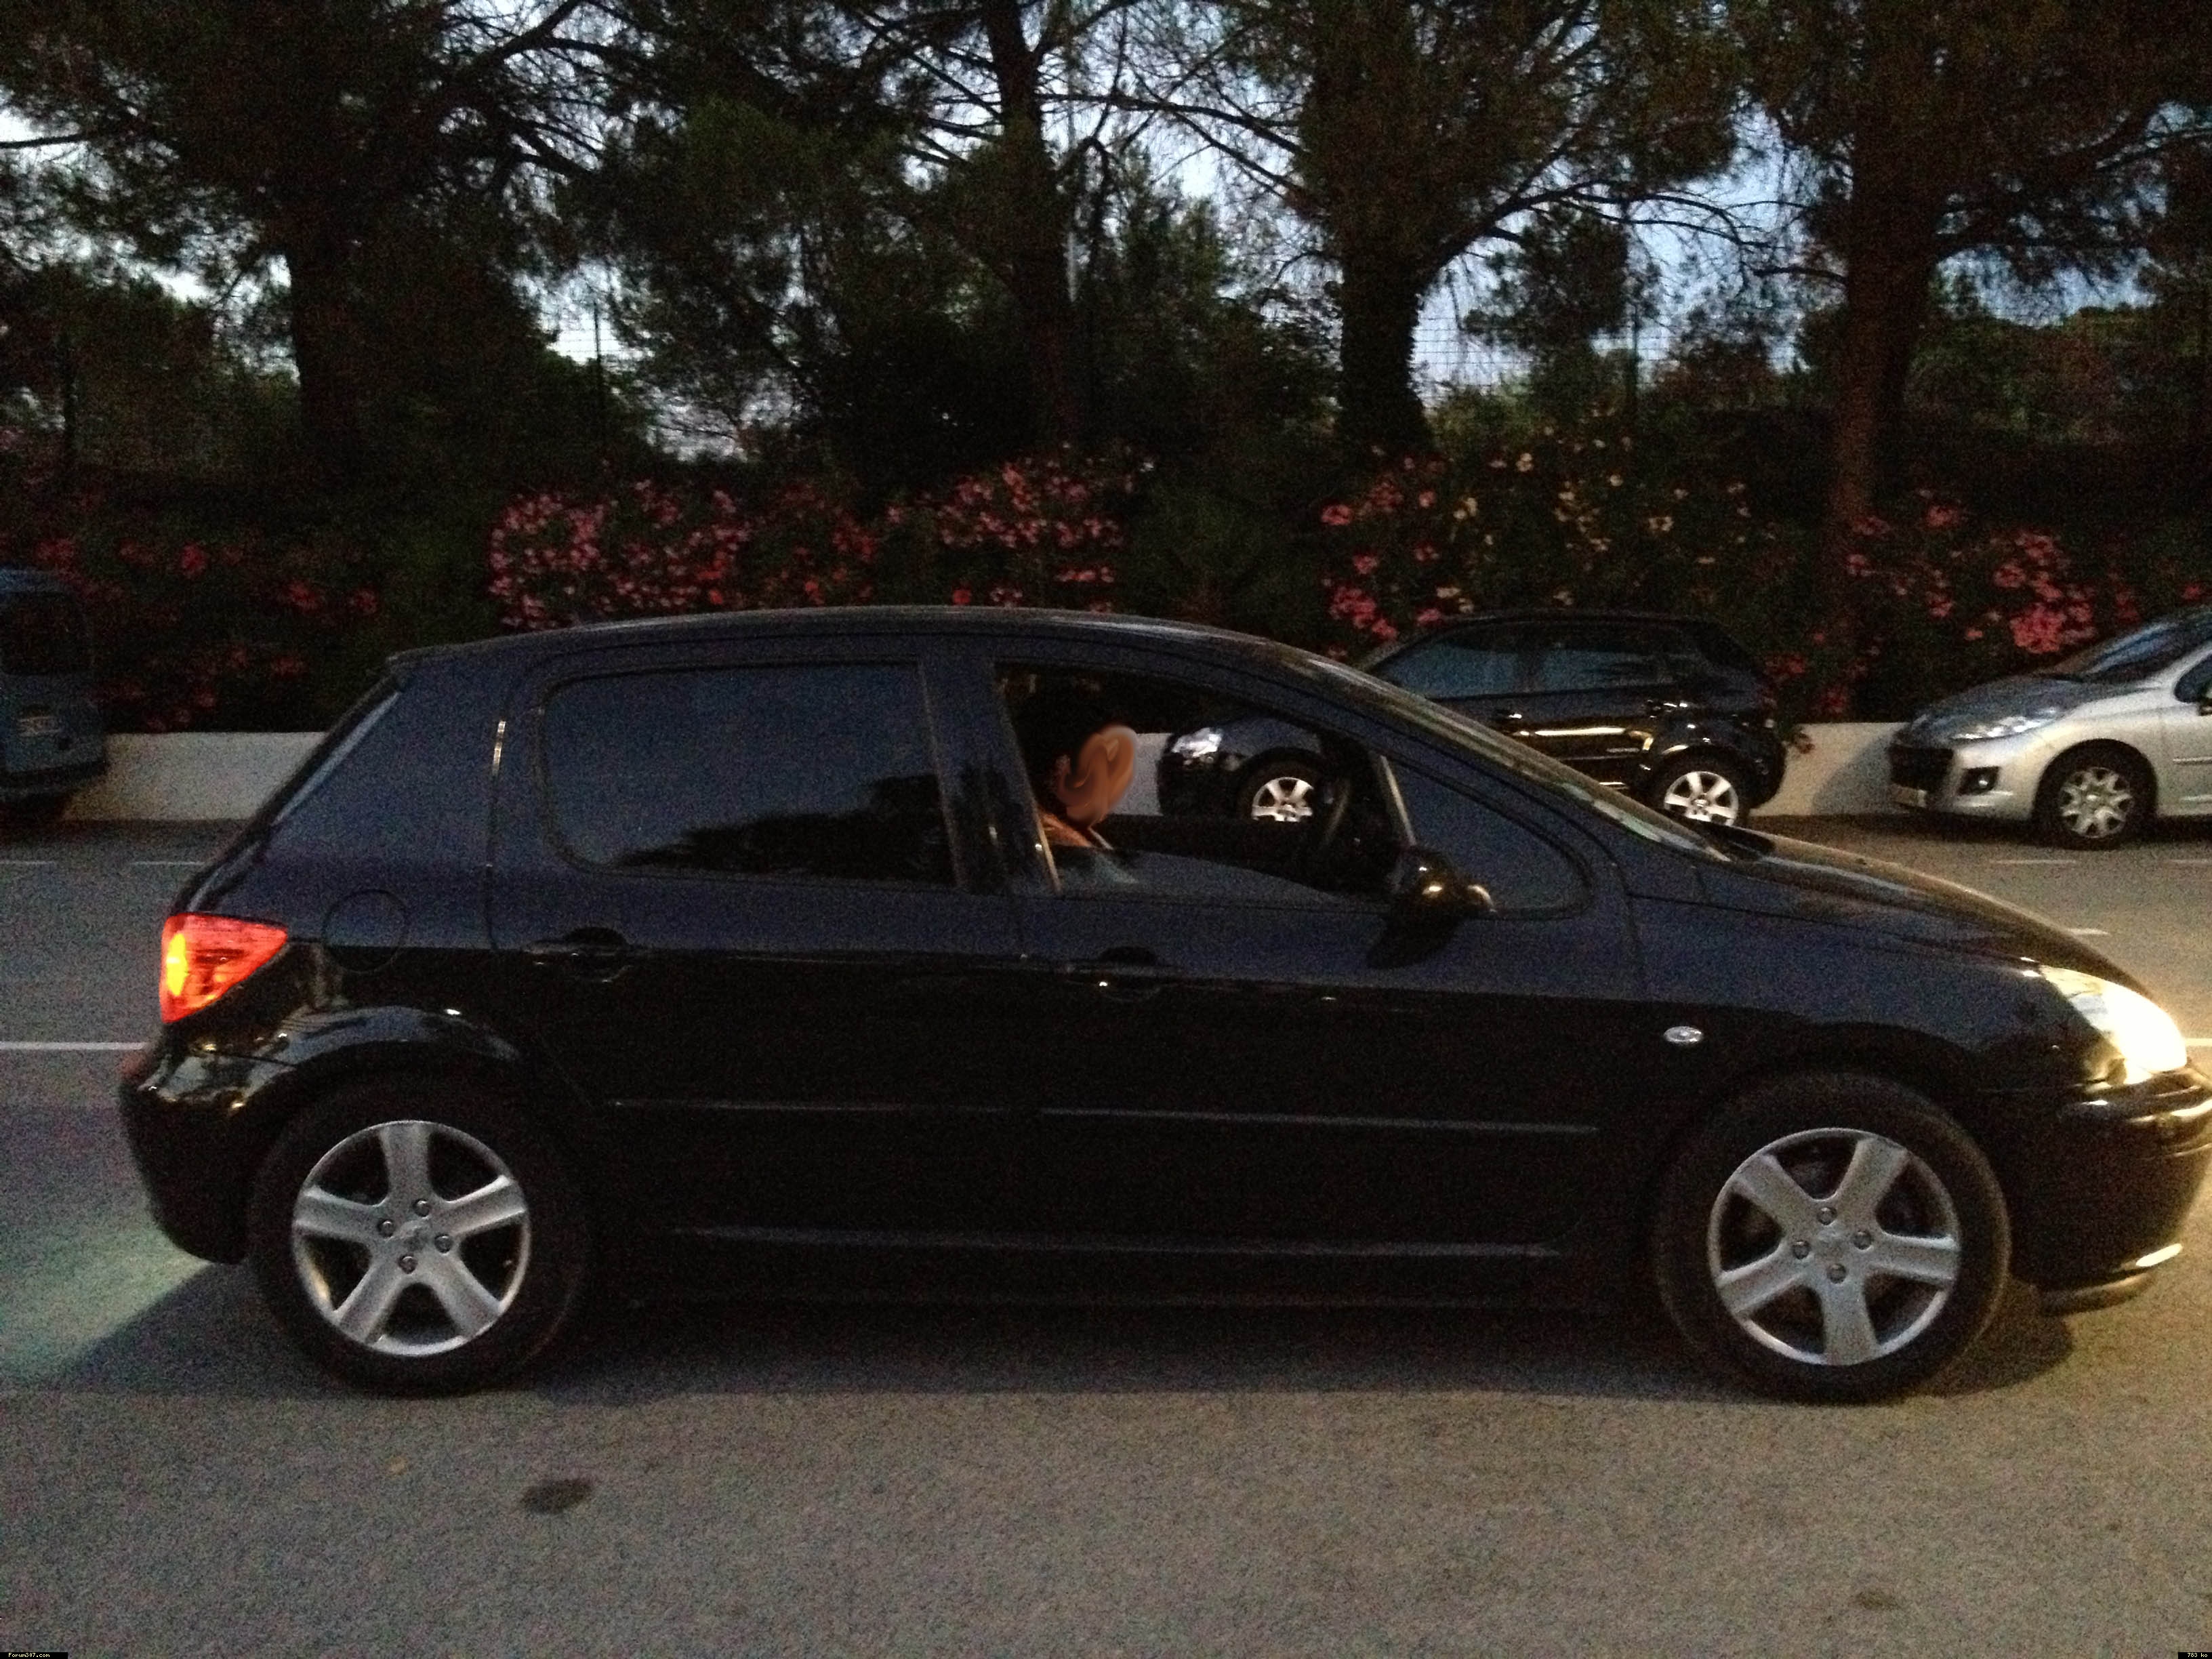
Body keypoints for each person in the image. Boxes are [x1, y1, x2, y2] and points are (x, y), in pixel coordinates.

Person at [1012, 687, 1139, 851]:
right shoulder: (1062, 844)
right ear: (1062, 770)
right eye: (1109, 766)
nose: (1121, 779)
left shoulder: (1068, 827)